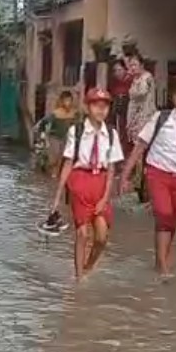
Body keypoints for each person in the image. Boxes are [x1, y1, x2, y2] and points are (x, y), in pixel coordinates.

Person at [121, 71, 176, 276]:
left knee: (172, 221)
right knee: (164, 214)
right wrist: (125, 174)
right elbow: (140, 146)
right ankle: (162, 267)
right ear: (173, 97)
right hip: (157, 174)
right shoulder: (159, 119)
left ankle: (161, 259)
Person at [46, 88, 124, 280]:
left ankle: (88, 266)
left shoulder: (112, 134)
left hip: (101, 182)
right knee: (81, 233)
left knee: (102, 236)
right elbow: (68, 163)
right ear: (88, 108)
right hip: (80, 181)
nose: (101, 111)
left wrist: (105, 198)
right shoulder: (77, 131)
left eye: (105, 107)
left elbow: (112, 169)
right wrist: (56, 198)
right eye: (96, 106)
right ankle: (79, 277)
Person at [33, 90, 79, 176]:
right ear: (61, 101)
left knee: (62, 158)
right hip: (54, 137)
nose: (68, 103)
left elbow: (78, 123)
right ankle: (51, 172)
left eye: (69, 100)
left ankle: (56, 175)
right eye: (66, 100)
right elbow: (44, 122)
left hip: (66, 138)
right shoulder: (56, 113)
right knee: (54, 158)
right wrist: (40, 133)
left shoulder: (74, 113)